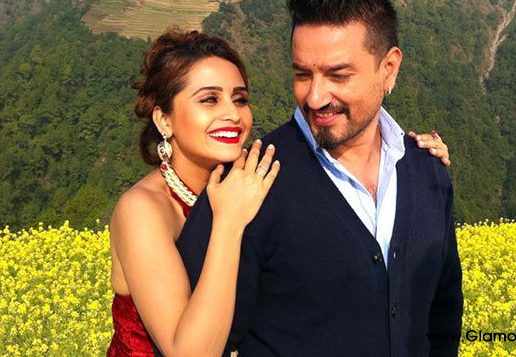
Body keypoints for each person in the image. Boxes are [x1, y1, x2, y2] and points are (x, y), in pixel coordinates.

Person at [108, 31, 451, 356]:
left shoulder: (253, 180)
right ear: (164, 120)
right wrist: (227, 224)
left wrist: (413, 162)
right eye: (209, 100)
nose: (232, 114)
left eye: (240, 99)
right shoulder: (143, 209)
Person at [176, 0, 463, 357]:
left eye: (338, 75)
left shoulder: (428, 173)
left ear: (389, 69)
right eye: (302, 74)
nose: (314, 98)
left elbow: (444, 307)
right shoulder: (245, 188)